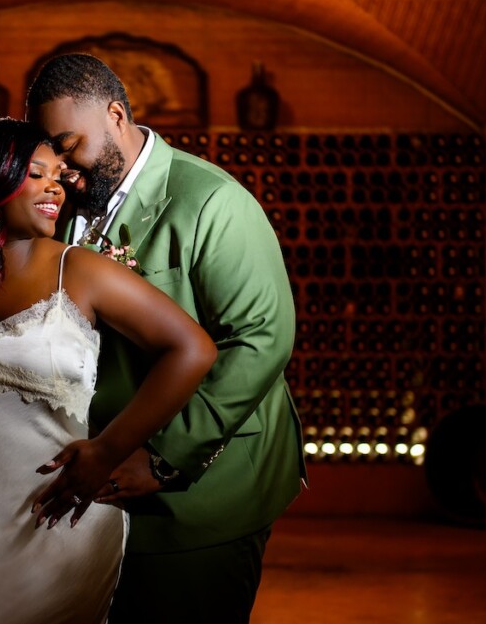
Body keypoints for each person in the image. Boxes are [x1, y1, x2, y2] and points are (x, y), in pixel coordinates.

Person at [0, 117, 217, 624]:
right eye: (38, 173)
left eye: (60, 174)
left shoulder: (81, 270)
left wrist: (109, 450)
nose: (57, 185)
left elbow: (192, 350)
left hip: (63, 518)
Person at [26, 53, 307, 623]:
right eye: (50, 151)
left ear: (116, 115)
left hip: (204, 491)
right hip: (99, 487)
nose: (62, 166)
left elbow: (261, 340)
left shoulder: (212, 202)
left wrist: (161, 459)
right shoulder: (68, 203)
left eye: (69, 143)